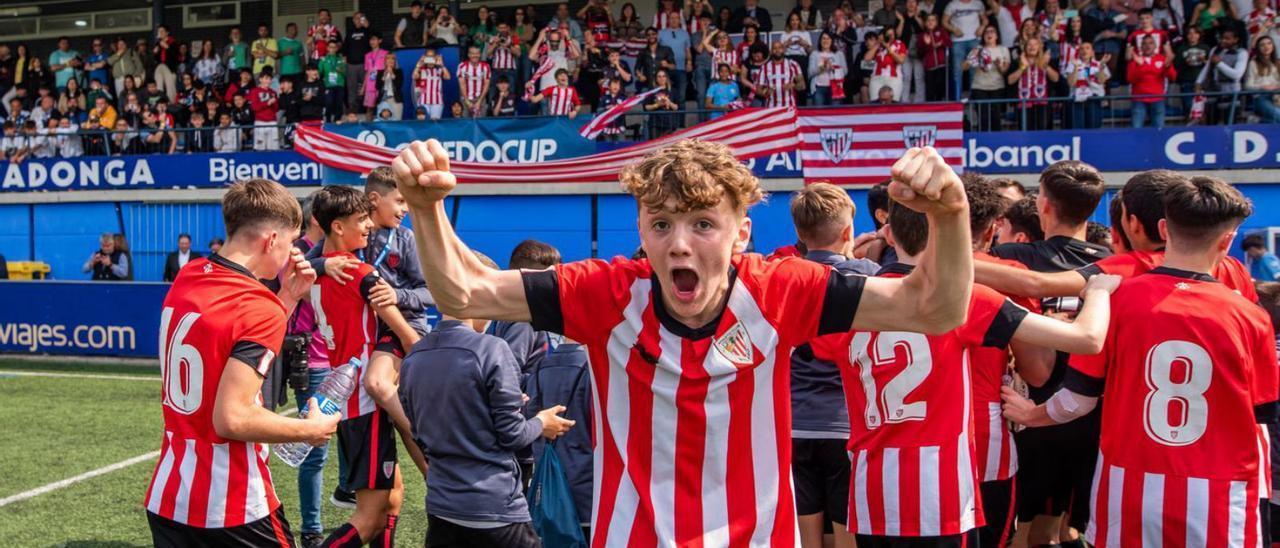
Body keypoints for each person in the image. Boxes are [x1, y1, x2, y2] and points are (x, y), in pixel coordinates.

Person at [390, 135, 977, 545]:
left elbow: (936, 308)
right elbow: (467, 294)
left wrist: (952, 218)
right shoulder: (608, 293)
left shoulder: (782, 290)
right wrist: (424, 205)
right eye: (661, 223)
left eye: (702, 224)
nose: (679, 244)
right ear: (640, 229)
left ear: (741, 232)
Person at [810, 192, 1118, 547]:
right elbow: (1087, 338)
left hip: (871, 491)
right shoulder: (963, 299)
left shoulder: (847, 299)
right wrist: (1099, 290)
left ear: (890, 234)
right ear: (948, 233)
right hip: (941, 494)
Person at [1002, 176, 1278, 548]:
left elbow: (1078, 401)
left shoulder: (1117, 299)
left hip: (1127, 484)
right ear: (1227, 241)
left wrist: (1032, 414)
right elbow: (1262, 413)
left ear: (1164, 227)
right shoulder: (1250, 315)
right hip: (1218, 492)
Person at [144, 179, 337, 547]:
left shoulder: (190, 274)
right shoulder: (256, 305)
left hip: (171, 496)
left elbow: (226, 337)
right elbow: (232, 418)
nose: (293, 252)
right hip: (233, 503)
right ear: (271, 241)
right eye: (292, 241)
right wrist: (309, 431)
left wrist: (287, 297)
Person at [399, 254, 576, 548]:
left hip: (442, 504)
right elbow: (513, 435)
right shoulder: (492, 349)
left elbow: (418, 430)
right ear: (474, 292)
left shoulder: (414, 357)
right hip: (494, 506)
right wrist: (541, 422)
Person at [988, 161, 1112, 548]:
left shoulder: (1009, 257)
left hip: (1029, 416)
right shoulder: (1113, 264)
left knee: (1021, 533)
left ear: (1043, 204)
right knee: (1064, 531)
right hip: (1094, 415)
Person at [308, 185, 421, 548]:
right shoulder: (357, 272)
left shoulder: (313, 274)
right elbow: (408, 337)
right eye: (361, 221)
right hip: (365, 402)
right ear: (338, 227)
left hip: (348, 394)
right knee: (369, 518)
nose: (369, 226)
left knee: (393, 496)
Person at [975, 170, 1260, 302]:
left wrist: (940, 259)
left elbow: (1036, 284)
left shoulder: (1132, 267)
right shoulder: (1235, 270)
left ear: (1133, 224)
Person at [787, 184, 879, 548]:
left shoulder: (785, 275)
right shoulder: (868, 274)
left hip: (795, 426)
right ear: (847, 232)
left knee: (807, 538)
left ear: (798, 233)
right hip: (846, 425)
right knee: (846, 536)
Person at [1198, 28, 1250, 124]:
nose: (1223, 41)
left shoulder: (1242, 53)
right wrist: (1198, 83)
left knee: (1230, 123)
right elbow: (1207, 67)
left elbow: (1237, 74)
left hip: (1232, 93)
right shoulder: (1215, 50)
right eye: (1222, 38)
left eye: (1227, 38)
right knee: (1211, 123)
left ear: (1236, 39)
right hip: (1213, 92)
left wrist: (1219, 63)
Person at [965, 26, 1011, 131]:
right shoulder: (977, 49)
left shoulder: (1003, 50)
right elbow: (964, 67)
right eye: (986, 32)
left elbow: (1004, 71)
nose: (989, 34)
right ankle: (982, 142)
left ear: (997, 35)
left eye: (992, 31)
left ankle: (997, 142)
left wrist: (999, 65)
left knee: (996, 117)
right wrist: (972, 58)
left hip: (997, 87)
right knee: (983, 117)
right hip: (979, 87)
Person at [756, 41, 804, 107]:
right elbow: (758, 90)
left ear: (783, 50)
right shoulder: (764, 67)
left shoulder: (793, 64)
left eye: (779, 48)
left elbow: (802, 85)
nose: (777, 50)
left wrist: (793, 85)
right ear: (771, 51)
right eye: (774, 48)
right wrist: (765, 92)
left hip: (789, 107)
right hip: (771, 107)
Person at [1246, 36, 1280, 122]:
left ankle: (1259, 121)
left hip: (1277, 96)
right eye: (1262, 45)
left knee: (1272, 120)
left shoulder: (1278, 62)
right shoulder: (1253, 63)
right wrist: (1262, 87)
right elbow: (1248, 86)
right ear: (1258, 48)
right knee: (1277, 114)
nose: (1266, 47)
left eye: (1269, 43)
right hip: (1261, 96)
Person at [413, 50, 449, 121]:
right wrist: (418, 64)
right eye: (428, 57)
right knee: (423, 123)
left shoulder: (439, 70)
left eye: (432, 57)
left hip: (437, 102)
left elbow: (447, 77)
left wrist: (442, 65)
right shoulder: (421, 69)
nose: (430, 59)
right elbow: (414, 76)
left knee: (435, 123)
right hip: (423, 101)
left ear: (435, 58)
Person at [457, 46, 491, 118]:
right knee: (466, 123)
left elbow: (486, 85)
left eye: (477, 53)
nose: (474, 56)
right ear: (468, 55)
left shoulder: (486, 66)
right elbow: (462, 84)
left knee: (481, 123)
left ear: (480, 54)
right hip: (466, 100)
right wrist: (466, 100)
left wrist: (480, 101)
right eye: (472, 53)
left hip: (481, 99)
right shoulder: (462, 66)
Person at [247, 73, 279, 152]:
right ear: (260, 79)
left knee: (273, 148)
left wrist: (274, 102)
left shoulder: (273, 92)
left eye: (269, 79)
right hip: (260, 122)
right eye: (266, 78)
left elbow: (276, 109)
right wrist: (267, 103)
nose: (268, 81)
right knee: (259, 148)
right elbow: (254, 107)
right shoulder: (254, 91)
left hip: (272, 122)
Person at [318, 41, 347, 123]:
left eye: (334, 47)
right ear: (327, 48)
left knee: (339, 103)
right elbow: (319, 72)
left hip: (339, 84)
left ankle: (337, 120)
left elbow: (345, 73)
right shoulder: (323, 60)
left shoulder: (341, 59)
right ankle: (327, 120)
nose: (332, 49)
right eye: (330, 47)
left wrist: (341, 70)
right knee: (329, 102)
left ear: (337, 49)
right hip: (328, 84)